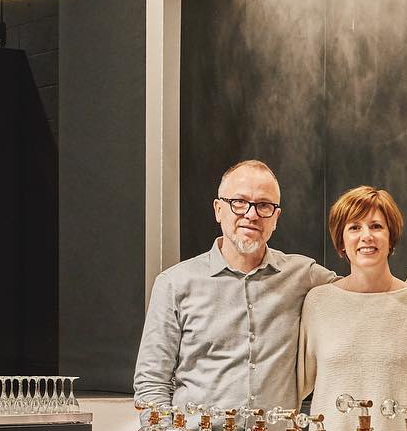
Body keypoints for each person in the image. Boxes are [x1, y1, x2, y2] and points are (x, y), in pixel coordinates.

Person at [133, 160, 334, 413]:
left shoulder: (302, 275)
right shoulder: (174, 283)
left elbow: (359, 292)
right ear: (218, 209)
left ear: (276, 218)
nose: (251, 215)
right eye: (239, 202)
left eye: (264, 205)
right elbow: (151, 383)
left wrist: (401, 291)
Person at [298, 187, 407, 431]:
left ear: (391, 238)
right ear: (341, 241)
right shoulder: (318, 303)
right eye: (354, 227)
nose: (366, 236)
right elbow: (296, 387)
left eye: (376, 226)